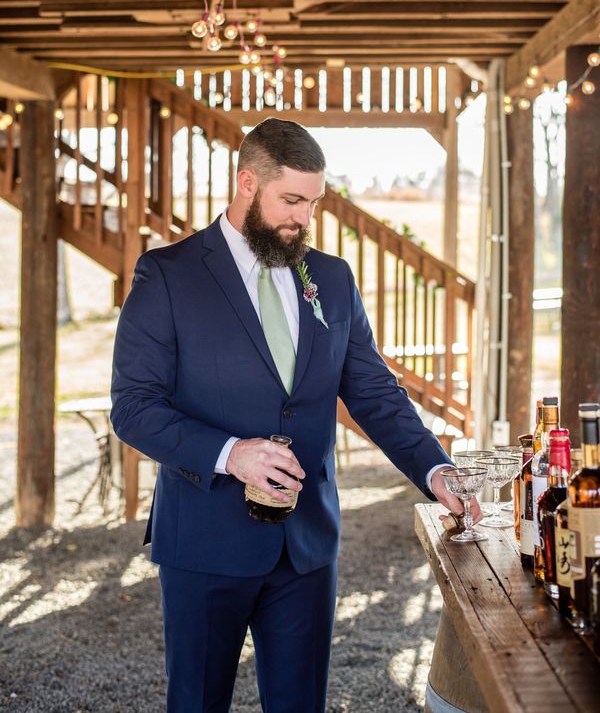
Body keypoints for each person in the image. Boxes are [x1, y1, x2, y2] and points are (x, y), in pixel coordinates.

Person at [111, 118, 476, 713]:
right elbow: (133, 408)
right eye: (292, 200)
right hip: (203, 542)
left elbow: (375, 393)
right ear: (247, 183)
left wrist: (436, 472)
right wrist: (233, 454)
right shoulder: (168, 275)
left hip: (306, 549)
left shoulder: (331, 279)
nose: (304, 218)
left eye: (313, 202)